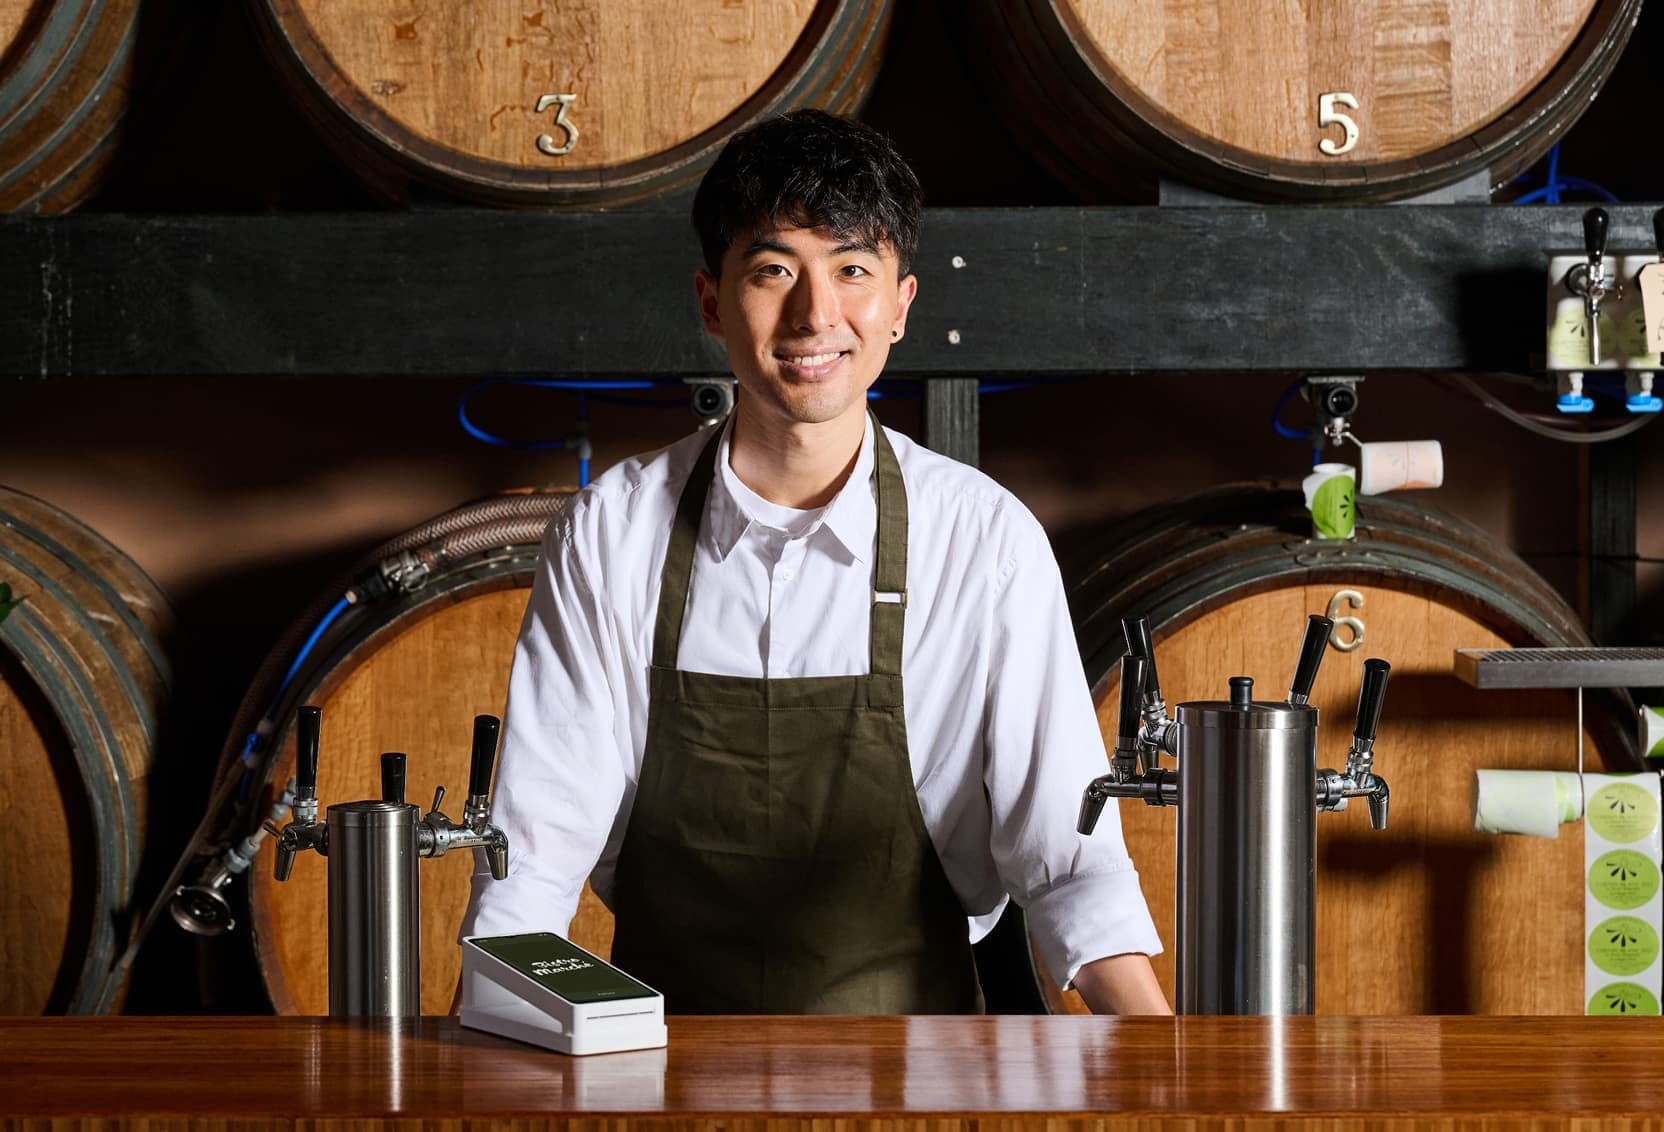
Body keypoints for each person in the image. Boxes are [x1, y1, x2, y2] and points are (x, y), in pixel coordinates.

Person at [461, 109, 1169, 1015]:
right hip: (658, 1077)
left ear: (901, 306)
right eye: (773, 270)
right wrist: (481, 1077)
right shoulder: (609, 534)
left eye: (852, 269)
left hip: (923, 1085)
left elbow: (1070, 865)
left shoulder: (983, 540)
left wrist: (1168, 1069)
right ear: (712, 302)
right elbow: (534, 857)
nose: (815, 314)